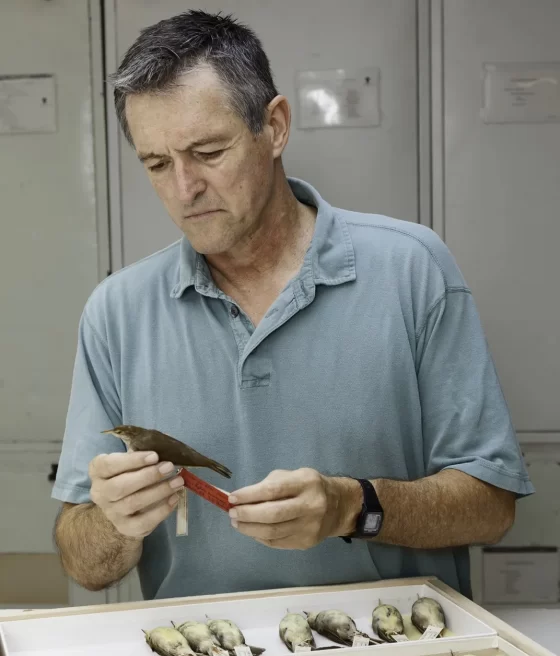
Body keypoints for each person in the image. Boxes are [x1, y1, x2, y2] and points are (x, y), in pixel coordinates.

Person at [52, 10, 534, 601]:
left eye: (208, 151)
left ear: (275, 126)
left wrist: (353, 507)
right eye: (157, 164)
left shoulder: (412, 269)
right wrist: (112, 522)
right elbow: (84, 563)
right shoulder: (116, 312)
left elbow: (491, 505)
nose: (184, 188)